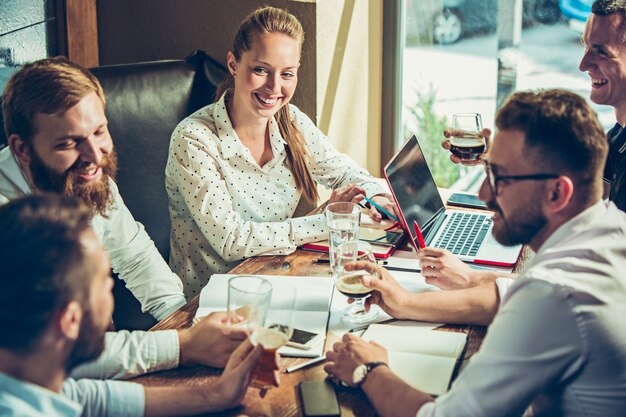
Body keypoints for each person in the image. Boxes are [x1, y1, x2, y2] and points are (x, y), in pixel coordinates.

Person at [325, 89, 626, 416]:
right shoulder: (613, 229)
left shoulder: (552, 294)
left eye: (499, 178)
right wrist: (413, 299)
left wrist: (368, 369)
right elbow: (516, 292)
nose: (484, 193)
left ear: (557, 192)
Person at [0, 57, 246, 380]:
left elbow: (136, 258)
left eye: (99, 131)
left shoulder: (87, 177)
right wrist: (183, 345)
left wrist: (185, 321)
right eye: (69, 143)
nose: (93, 155)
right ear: (22, 149)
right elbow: (52, 359)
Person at [166, 6, 396, 297]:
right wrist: (326, 222)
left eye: (287, 74)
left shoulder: (292, 121)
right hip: (211, 303)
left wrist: (376, 197)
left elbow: (343, 171)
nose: (275, 87)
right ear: (233, 64)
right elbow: (231, 239)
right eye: (261, 70)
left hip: (280, 280)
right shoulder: (194, 140)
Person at [0, 194, 265, 417]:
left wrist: (216, 395)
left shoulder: (29, 378)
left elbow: (90, 398)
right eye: (105, 280)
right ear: (70, 321)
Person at [429, 0, 626, 292]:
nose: (583, 64)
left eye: (600, 51)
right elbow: (583, 202)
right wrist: (502, 160)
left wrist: (469, 281)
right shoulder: (619, 135)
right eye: (585, 46)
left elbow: (581, 291)